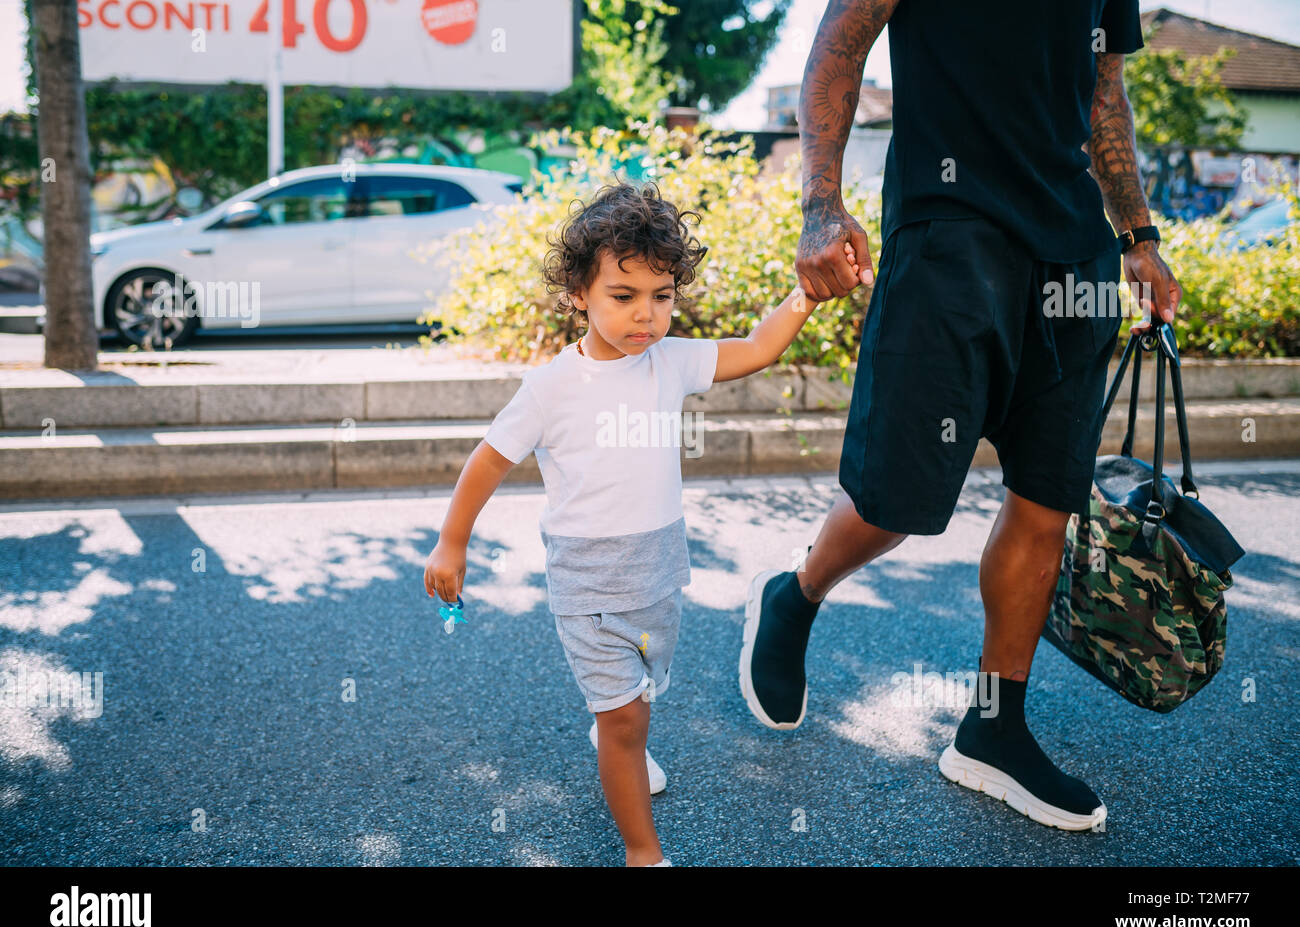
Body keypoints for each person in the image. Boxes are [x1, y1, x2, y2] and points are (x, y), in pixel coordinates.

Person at [738, 0, 1183, 831]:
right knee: (894, 500)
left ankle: (992, 726)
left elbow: (1104, 96)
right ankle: (796, 595)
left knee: (1047, 501)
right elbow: (840, 43)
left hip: (1075, 258)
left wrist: (1138, 235)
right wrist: (820, 205)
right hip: (951, 235)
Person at [425, 179, 856, 865]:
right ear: (579, 295)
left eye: (662, 296)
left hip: (659, 578)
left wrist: (807, 294)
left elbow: (757, 348)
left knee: (642, 700)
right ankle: (642, 852)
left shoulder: (671, 361)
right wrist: (453, 542)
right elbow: (488, 460)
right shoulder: (551, 387)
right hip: (589, 587)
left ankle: (616, 731)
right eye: (623, 297)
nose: (645, 315)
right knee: (626, 719)